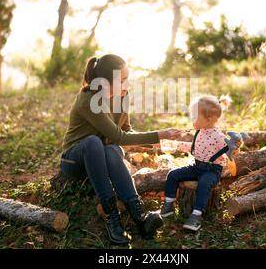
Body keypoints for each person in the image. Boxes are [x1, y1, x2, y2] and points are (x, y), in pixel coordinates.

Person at [61, 54, 182, 244]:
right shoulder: (90, 100)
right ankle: (112, 217)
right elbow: (119, 137)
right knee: (94, 142)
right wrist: (160, 134)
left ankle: (139, 215)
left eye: (128, 78)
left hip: (104, 156)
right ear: (105, 83)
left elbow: (126, 130)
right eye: (122, 80)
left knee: (110, 150)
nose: (127, 84)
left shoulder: (121, 97)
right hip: (75, 160)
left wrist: (155, 143)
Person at [159, 94, 238, 231]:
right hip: (197, 167)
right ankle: (168, 204)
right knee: (173, 175)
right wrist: (175, 145)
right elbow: (194, 147)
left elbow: (229, 150)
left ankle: (196, 215)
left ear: (208, 119)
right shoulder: (200, 132)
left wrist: (234, 148)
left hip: (212, 170)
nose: (191, 120)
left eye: (194, 117)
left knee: (204, 184)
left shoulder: (219, 136)